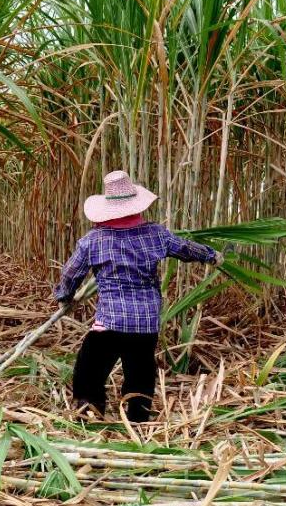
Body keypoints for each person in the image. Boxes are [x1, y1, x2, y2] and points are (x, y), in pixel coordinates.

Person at [54, 170, 222, 422]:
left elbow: (70, 273)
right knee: (140, 372)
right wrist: (212, 255)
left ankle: (88, 412)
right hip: (145, 323)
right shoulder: (156, 234)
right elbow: (186, 248)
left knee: (89, 368)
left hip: (110, 322)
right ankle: (138, 418)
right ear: (137, 206)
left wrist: (64, 295)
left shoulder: (93, 241)